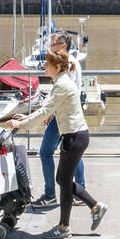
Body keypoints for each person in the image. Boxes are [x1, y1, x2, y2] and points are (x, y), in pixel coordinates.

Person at [6, 47, 105, 239]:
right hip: (74, 135)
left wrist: (21, 123)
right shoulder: (61, 82)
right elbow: (48, 107)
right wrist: (26, 116)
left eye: (47, 64)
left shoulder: (62, 85)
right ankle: (94, 206)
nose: (44, 66)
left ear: (57, 67)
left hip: (74, 137)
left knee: (65, 183)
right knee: (62, 180)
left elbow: (45, 112)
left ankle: (64, 227)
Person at [29, 32, 85, 210]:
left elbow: (67, 93)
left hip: (62, 117)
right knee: (72, 155)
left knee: (46, 152)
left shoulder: (70, 65)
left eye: (53, 44)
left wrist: (50, 113)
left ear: (63, 46)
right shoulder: (70, 63)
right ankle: (80, 191)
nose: (50, 47)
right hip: (67, 117)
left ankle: (50, 194)